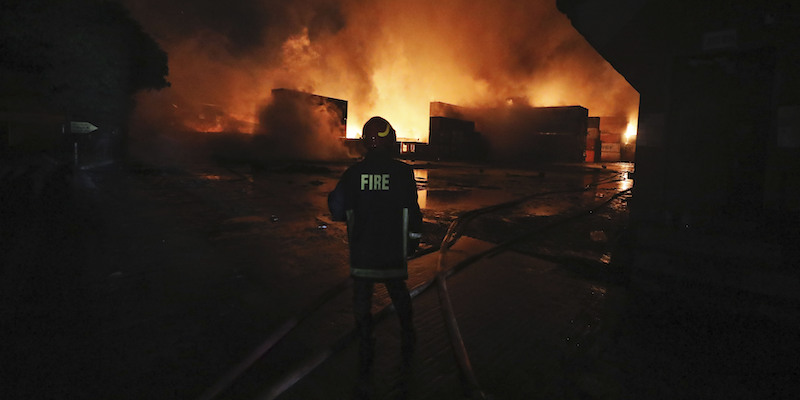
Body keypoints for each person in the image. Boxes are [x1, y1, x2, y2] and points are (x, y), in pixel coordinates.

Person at [328, 116, 422, 399]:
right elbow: (414, 214)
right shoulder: (403, 173)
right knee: (398, 292)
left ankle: (366, 341)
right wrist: (412, 243)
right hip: (392, 253)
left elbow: (336, 209)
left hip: (363, 255)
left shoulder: (353, 175)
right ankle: (408, 333)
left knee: (362, 300)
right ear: (390, 140)